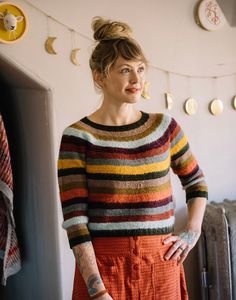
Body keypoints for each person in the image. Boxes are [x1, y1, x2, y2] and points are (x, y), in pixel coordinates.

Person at [58, 16, 208, 300]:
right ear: (99, 76)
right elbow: (75, 220)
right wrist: (97, 289)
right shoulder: (77, 137)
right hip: (103, 269)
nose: (137, 79)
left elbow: (196, 181)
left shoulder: (164, 127)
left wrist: (192, 229)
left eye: (140, 69)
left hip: (161, 264)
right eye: (125, 70)